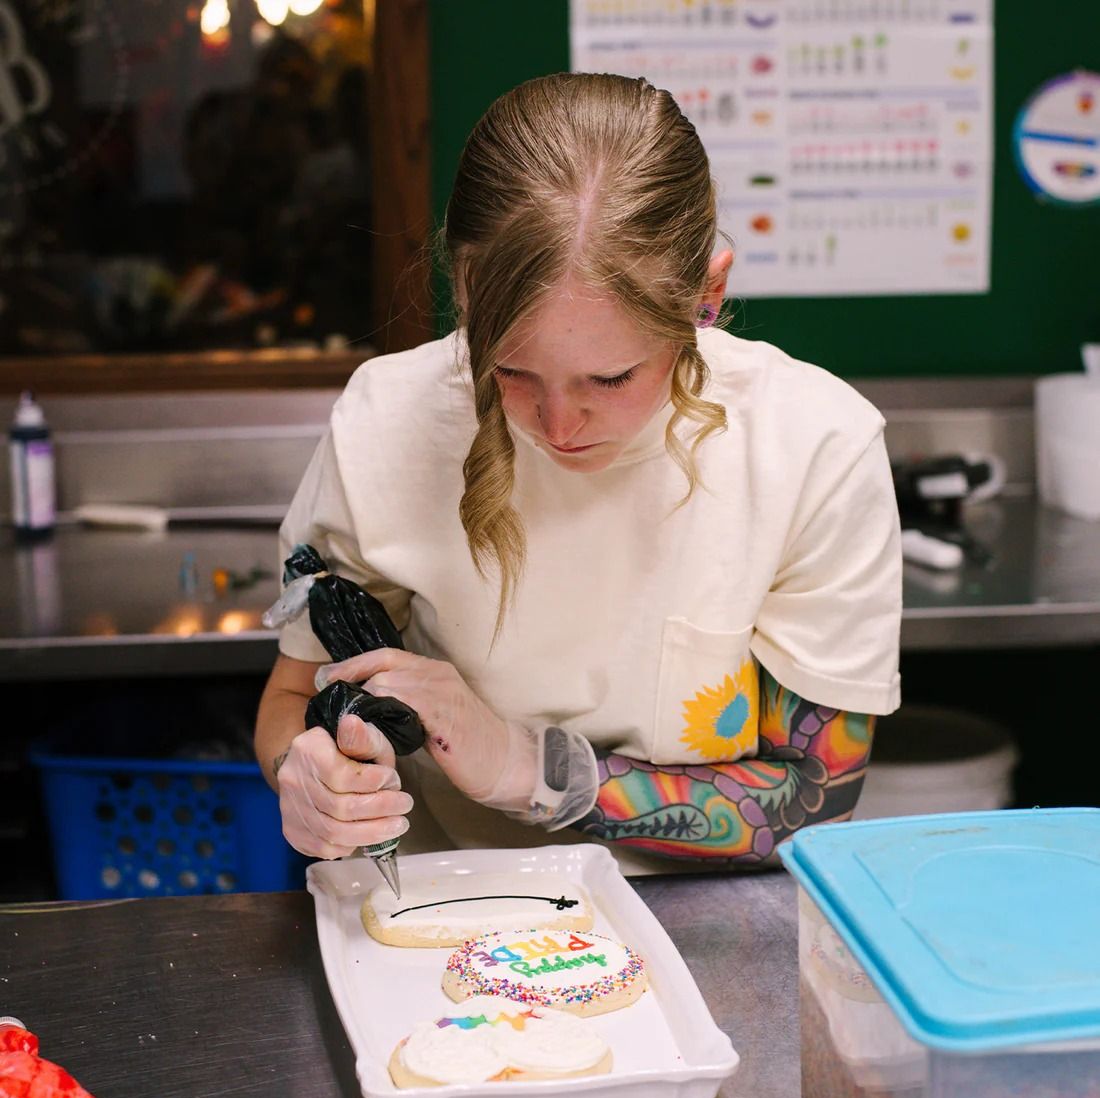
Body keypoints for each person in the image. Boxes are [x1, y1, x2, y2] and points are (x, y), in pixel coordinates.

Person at [254, 72, 901, 874]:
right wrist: (305, 777)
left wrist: (531, 770)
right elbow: (291, 701)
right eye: (512, 371)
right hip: (432, 910)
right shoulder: (387, 422)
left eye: (612, 378)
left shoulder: (814, 448)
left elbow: (812, 801)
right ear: (462, 299)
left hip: (701, 920)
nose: (558, 426)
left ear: (708, 293)